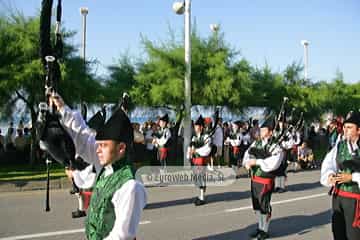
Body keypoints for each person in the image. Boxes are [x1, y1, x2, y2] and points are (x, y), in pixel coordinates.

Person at [51, 95, 147, 240]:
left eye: (103, 145)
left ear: (121, 148)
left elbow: (122, 236)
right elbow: (82, 137)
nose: (97, 150)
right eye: (98, 144)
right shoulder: (106, 165)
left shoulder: (130, 186)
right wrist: (62, 107)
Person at [321, 110, 360, 240]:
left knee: (354, 235)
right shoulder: (340, 146)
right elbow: (328, 163)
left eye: (349, 127)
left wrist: (352, 177)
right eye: (344, 127)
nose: (345, 130)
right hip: (338, 197)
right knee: (338, 233)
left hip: (356, 200)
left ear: (359, 130)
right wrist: (330, 175)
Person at [243, 116, 284, 240]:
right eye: (261, 129)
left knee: (264, 205)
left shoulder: (275, 147)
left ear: (270, 132)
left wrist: (257, 162)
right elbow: (247, 153)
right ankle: (260, 228)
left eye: (264, 130)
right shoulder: (257, 143)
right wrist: (247, 162)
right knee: (257, 205)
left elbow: (273, 163)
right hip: (255, 178)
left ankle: (265, 230)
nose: (260, 132)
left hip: (265, 180)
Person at [187, 115, 212, 206]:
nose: (195, 127)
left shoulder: (206, 137)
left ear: (201, 127)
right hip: (195, 160)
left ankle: (202, 197)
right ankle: (200, 195)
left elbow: (207, 150)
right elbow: (190, 148)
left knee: (201, 178)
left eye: (197, 126)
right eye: (195, 126)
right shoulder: (194, 138)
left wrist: (196, 150)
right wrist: (189, 156)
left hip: (202, 160)